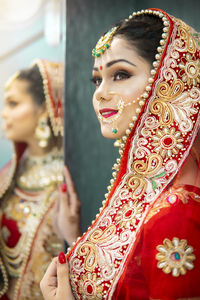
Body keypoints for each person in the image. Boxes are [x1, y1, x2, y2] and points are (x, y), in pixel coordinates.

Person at [40, 7, 200, 299]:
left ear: (171, 83)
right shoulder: (155, 198)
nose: (100, 93)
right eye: (97, 80)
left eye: (121, 74)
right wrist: (74, 237)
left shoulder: (176, 213)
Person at [0, 59, 80, 300]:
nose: (4, 113)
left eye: (13, 103)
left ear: (44, 108)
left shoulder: (69, 178)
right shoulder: (8, 175)